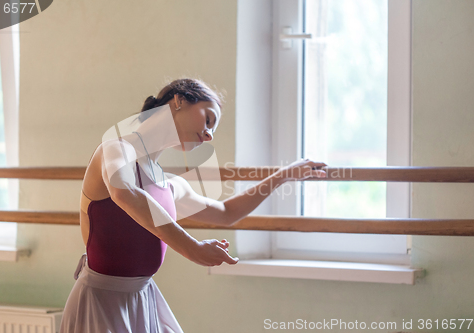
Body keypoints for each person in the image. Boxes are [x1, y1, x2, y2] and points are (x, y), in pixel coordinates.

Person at [59, 78, 327, 333]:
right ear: (179, 100)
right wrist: (192, 248)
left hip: (143, 300)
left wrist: (284, 175)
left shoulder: (170, 184)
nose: (209, 135)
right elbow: (125, 193)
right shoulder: (114, 149)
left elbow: (226, 213)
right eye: (208, 119)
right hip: (99, 301)